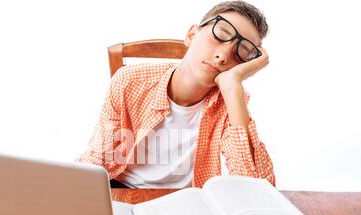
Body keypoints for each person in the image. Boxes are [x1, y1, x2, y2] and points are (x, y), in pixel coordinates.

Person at [76, 0, 275, 189]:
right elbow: (99, 156)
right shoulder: (129, 81)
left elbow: (253, 189)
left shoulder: (231, 100)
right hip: (123, 190)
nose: (223, 56)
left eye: (242, 52)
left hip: (185, 202)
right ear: (191, 35)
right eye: (221, 35)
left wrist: (232, 86)